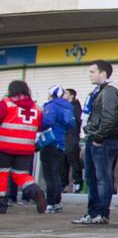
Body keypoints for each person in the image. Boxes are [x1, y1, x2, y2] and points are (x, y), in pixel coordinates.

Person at [77, 61, 118, 226]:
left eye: (92, 71)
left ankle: (101, 213)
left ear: (103, 73)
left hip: (103, 140)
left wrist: (99, 137)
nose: (89, 74)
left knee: (101, 178)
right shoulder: (101, 91)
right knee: (92, 177)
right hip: (95, 138)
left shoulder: (109, 91)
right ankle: (93, 212)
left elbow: (110, 117)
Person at [0, 81, 47, 214]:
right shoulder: (37, 108)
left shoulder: (6, 104)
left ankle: (1, 204)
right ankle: (36, 192)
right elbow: (39, 127)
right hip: (26, 148)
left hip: (4, 146)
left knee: (2, 173)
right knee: (21, 175)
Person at [39, 86, 75, 214]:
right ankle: (57, 202)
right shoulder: (67, 107)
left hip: (49, 141)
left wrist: (37, 125)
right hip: (61, 142)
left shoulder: (51, 106)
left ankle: (51, 203)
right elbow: (71, 124)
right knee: (56, 174)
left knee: (49, 175)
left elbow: (46, 122)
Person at [64, 87, 83, 194]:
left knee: (74, 161)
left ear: (72, 95)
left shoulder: (75, 107)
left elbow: (77, 121)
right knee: (63, 161)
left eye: (66, 93)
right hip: (64, 137)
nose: (63, 95)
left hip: (72, 138)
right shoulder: (64, 106)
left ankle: (77, 183)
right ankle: (64, 184)